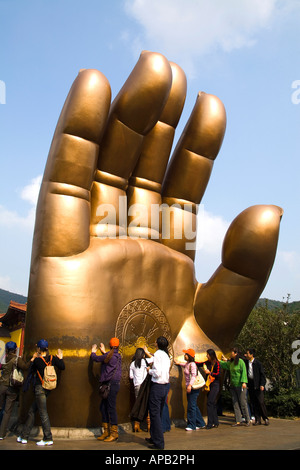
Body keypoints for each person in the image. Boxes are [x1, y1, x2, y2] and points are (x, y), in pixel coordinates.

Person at [17, 339, 65, 446]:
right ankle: (24, 436)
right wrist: (60, 358)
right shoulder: (53, 358)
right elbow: (62, 367)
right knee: (32, 411)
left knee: (43, 413)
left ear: (38, 348)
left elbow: (29, 370)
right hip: (49, 388)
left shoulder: (37, 361)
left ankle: (48, 437)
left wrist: (33, 358)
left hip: (40, 389)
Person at [0, 342, 35, 440]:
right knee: (7, 411)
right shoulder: (16, 359)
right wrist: (31, 359)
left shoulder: (4, 358)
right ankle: (1, 434)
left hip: (2, 385)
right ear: (15, 350)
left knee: (0, 408)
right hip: (12, 387)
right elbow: (25, 367)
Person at [90, 337, 122, 442]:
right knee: (103, 407)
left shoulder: (110, 356)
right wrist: (104, 351)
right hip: (112, 384)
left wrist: (93, 352)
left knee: (110, 408)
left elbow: (96, 358)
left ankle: (114, 433)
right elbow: (107, 357)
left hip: (110, 385)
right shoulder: (117, 356)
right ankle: (106, 431)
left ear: (109, 345)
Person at [146, 336, 170, 450]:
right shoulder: (165, 355)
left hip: (158, 386)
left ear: (158, 344)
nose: (154, 342)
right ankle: (154, 437)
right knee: (158, 413)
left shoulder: (158, 354)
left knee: (154, 414)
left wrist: (149, 370)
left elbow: (157, 373)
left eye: (155, 341)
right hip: (164, 387)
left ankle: (159, 442)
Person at [174, 348, 206, 431]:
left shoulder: (192, 365)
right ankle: (201, 423)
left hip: (192, 388)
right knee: (194, 405)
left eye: (186, 354)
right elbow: (185, 365)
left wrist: (190, 385)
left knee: (191, 407)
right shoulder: (188, 364)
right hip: (190, 387)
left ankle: (192, 425)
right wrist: (178, 363)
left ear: (189, 356)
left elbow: (194, 375)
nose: (184, 355)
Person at [220, 347, 251, 427]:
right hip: (233, 385)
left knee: (243, 403)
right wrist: (217, 360)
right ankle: (238, 420)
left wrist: (244, 382)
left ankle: (248, 420)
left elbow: (244, 372)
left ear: (236, 353)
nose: (231, 354)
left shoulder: (241, 362)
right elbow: (224, 365)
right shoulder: (231, 362)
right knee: (235, 403)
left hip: (240, 385)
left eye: (232, 352)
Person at [129, 346, 153, 432]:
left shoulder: (132, 364)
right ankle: (149, 425)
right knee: (146, 403)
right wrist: (147, 352)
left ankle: (136, 425)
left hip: (137, 386)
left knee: (138, 404)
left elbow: (131, 376)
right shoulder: (144, 361)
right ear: (143, 355)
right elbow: (154, 358)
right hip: (144, 386)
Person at [244, 348, 269, 426]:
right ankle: (258, 419)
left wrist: (262, 384)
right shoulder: (246, 362)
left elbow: (262, 375)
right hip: (251, 384)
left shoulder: (258, 363)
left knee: (260, 402)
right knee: (253, 403)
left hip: (258, 385)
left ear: (251, 355)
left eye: (247, 353)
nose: (246, 355)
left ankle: (265, 418)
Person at [203, 348, 221, 429]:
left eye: (208, 355)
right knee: (212, 404)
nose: (207, 356)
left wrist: (209, 372)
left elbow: (218, 374)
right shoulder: (208, 363)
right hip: (209, 385)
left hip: (215, 385)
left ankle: (210, 423)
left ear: (211, 355)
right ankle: (215, 422)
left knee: (210, 403)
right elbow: (200, 363)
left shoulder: (217, 363)